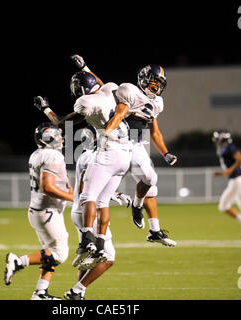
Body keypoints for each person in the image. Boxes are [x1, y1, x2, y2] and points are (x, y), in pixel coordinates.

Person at [71, 54, 177, 247]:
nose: (156, 87)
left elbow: (155, 131)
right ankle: (95, 236)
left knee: (151, 182)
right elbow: (103, 89)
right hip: (118, 143)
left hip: (136, 145)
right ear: (144, 79)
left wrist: (165, 153)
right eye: (153, 82)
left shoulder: (157, 103)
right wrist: (86, 69)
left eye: (159, 83)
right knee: (101, 189)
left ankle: (147, 221)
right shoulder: (129, 90)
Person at [34, 68, 133, 271]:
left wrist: (45, 108)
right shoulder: (111, 90)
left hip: (109, 151)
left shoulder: (86, 105)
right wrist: (86, 68)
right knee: (102, 201)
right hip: (126, 152)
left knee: (89, 197)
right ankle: (98, 246)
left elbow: (61, 122)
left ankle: (87, 241)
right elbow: (100, 85)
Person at [4, 122, 74, 300]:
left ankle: (40, 293)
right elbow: (47, 187)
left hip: (40, 211)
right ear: (47, 137)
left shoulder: (37, 154)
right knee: (59, 254)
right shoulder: (53, 156)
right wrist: (73, 197)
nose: (61, 138)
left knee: (49, 253)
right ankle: (18, 262)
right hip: (47, 211)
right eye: (57, 135)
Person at [64, 125, 131, 300]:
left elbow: (94, 183)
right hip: (88, 214)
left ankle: (79, 294)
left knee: (88, 258)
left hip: (79, 211)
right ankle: (77, 290)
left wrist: (115, 194)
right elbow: (87, 188)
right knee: (108, 258)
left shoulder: (85, 155)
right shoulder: (95, 156)